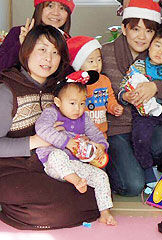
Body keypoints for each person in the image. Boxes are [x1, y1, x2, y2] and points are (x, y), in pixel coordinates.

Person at [0, 25, 99, 229]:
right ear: (27, 50)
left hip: (48, 164)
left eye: (55, 52)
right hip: (10, 167)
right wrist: (35, 141)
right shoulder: (7, 89)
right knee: (57, 209)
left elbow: (73, 127)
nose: (48, 58)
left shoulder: (58, 89)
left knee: (93, 195)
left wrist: (81, 140)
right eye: (42, 49)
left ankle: (22, 207)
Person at [101, 0, 162, 196]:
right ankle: (119, 166)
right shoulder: (104, 53)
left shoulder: (157, 56)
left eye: (149, 31)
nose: (142, 37)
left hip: (147, 125)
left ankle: (134, 162)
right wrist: (123, 96)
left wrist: (155, 87)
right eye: (135, 29)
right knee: (133, 187)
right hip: (115, 128)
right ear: (124, 28)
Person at [35, 70, 116, 226]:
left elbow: (96, 134)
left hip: (74, 164)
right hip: (53, 164)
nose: (78, 108)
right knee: (57, 155)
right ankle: (76, 181)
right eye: (72, 103)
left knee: (101, 176)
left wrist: (101, 146)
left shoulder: (84, 118)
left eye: (82, 103)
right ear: (58, 102)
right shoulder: (52, 112)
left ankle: (105, 213)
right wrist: (67, 142)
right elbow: (42, 128)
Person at [119, 27, 162, 191]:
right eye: (157, 45)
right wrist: (125, 95)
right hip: (143, 113)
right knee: (141, 138)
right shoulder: (139, 66)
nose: (159, 52)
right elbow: (124, 84)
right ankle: (147, 171)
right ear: (150, 46)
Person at [0, 0, 75, 72]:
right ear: (39, 9)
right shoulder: (18, 33)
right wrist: (22, 44)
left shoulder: (68, 41)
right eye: (50, 6)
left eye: (62, 8)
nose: (56, 13)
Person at [67, 36, 123, 136]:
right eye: (91, 61)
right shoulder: (75, 83)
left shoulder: (104, 80)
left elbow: (109, 98)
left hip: (101, 132)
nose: (96, 65)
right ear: (79, 64)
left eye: (99, 60)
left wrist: (114, 107)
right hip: (80, 134)